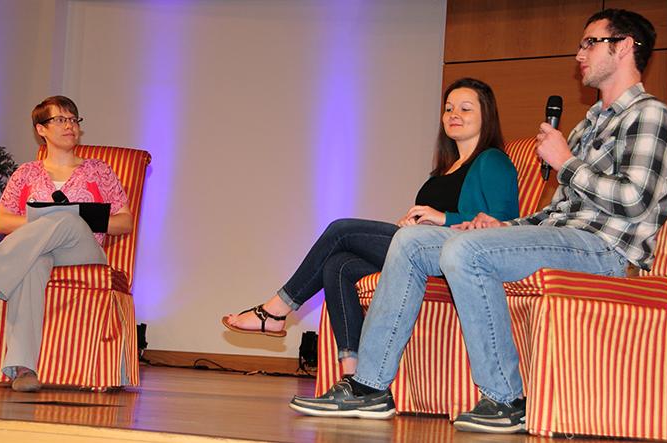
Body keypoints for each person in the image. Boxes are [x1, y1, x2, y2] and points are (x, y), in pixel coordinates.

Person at [289, 8, 667, 434]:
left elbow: (634, 200)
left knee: (464, 251)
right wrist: (505, 227)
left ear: (624, 46)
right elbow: (558, 212)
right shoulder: (589, 125)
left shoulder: (650, 116)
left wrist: (566, 163)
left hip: (608, 252)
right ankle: (370, 387)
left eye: (590, 42)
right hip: (566, 237)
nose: (579, 53)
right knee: (414, 240)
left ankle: (505, 397)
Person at [223, 78, 520, 375]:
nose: (454, 114)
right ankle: (353, 374)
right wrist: (414, 223)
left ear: (486, 116)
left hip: (451, 256)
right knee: (338, 265)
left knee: (342, 229)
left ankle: (276, 311)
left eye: (465, 108)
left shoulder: (492, 161)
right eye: (448, 108)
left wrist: (444, 218)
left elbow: (502, 224)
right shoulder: (443, 171)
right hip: (419, 248)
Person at [0, 96, 133, 392]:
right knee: (34, 263)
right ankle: (23, 368)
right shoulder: (26, 173)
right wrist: (47, 223)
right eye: (60, 119)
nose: (70, 125)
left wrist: (78, 219)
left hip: (83, 252)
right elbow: (2, 222)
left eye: (73, 119)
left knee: (69, 221)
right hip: (39, 252)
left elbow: (125, 222)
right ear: (41, 129)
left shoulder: (99, 170)